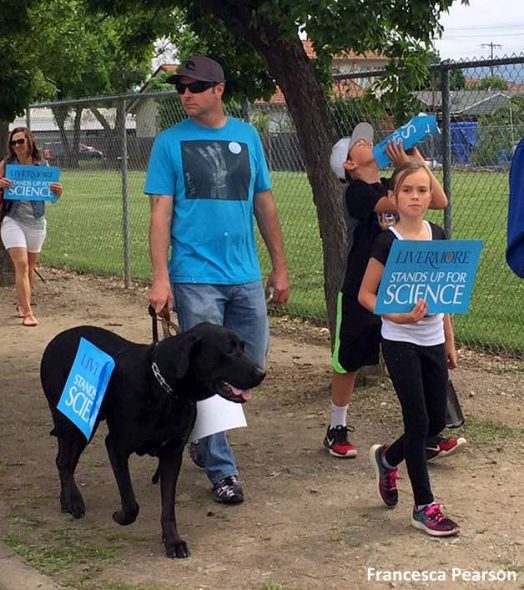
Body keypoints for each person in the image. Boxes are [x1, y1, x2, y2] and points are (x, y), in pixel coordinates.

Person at [145, 55, 290, 504]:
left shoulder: (247, 137)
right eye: (180, 87)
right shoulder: (169, 143)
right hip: (195, 277)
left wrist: (280, 266)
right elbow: (160, 212)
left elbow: (263, 204)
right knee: (211, 373)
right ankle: (221, 469)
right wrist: (160, 277)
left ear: (219, 90)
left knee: (251, 366)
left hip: (244, 275)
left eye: (195, 86)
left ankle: (198, 436)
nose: (186, 93)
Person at [323, 123, 466, 461]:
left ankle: (429, 434)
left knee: (417, 352)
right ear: (349, 164)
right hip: (363, 285)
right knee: (349, 359)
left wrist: (414, 157)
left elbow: (439, 200)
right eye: (358, 143)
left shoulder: (398, 184)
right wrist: (404, 167)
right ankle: (336, 428)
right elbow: (391, 203)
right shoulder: (356, 191)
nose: (368, 143)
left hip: (402, 283)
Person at [359, 160, 460, 537]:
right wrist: (397, 316)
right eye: (407, 190)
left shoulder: (438, 235)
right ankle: (424, 506)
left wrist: (449, 340)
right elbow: (365, 295)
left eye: (422, 190)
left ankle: (388, 458)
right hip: (400, 341)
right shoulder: (388, 241)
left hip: (433, 339)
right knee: (418, 421)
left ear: (430, 195)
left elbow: (445, 294)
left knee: (436, 422)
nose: (415, 197)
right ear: (393, 198)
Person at [0, 127, 63, 327]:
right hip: (12, 220)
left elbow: (52, 196)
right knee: (21, 265)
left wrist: (58, 191)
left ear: (29, 142)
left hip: (36, 221)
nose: (17, 146)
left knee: (30, 268)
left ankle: (22, 303)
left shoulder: (42, 166)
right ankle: (28, 312)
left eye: (20, 141)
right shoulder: (7, 165)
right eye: (13, 142)